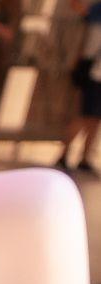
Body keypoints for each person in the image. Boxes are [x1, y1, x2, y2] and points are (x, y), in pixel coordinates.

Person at [65, 0, 101, 173]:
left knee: (95, 118)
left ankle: (85, 157)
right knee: (85, 115)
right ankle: (64, 153)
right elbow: (78, 8)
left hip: (95, 71)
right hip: (96, 72)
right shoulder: (98, 11)